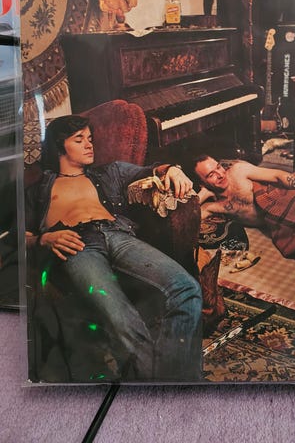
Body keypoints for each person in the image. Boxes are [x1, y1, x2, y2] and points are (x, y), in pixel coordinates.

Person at [25, 114, 203, 383]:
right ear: (60, 146)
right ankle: (169, 389)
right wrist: (42, 240)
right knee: (122, 320)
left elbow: (152, 170)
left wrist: (173, 170)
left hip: (119, 235)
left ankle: (171, 385)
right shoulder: (39, 188)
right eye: (79, 139)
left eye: (90, 139)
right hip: (78, 245)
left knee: (187, 288)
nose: (89, 144)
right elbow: (18, 236)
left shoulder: (109, 172)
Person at [190, 154, 295, 261]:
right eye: (211, 175)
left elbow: (278, 176)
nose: (220, 174)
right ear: (203, 184)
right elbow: (188, 219)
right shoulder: (212, 207)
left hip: (284, 197)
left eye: (218, 167)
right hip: (275, 223)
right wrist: (202, 195)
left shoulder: (238, 171)